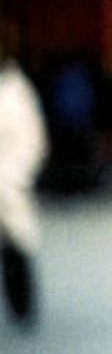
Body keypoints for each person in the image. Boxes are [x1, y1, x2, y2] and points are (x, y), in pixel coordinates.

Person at [0, 33, 49, 328]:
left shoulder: (16, 91)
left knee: (17, 243)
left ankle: (22, 307)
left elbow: (32, 140)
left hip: (8, 180)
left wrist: (15, 175)